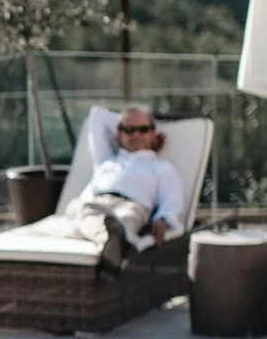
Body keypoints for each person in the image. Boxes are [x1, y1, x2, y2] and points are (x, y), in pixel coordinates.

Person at [64, 105, 185, 269]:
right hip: (95, 202)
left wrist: (163, 219)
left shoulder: (162, 168)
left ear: (153, 133)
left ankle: (113, 238)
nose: (136, 134)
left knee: (127, 218)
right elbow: (97, 115)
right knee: (85, 211)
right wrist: (125, 120)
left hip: (132, 205)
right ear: (119, 133)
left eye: (143, 129)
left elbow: (172, 199)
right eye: (129, 129)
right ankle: (112, 240)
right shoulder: (106, 160)